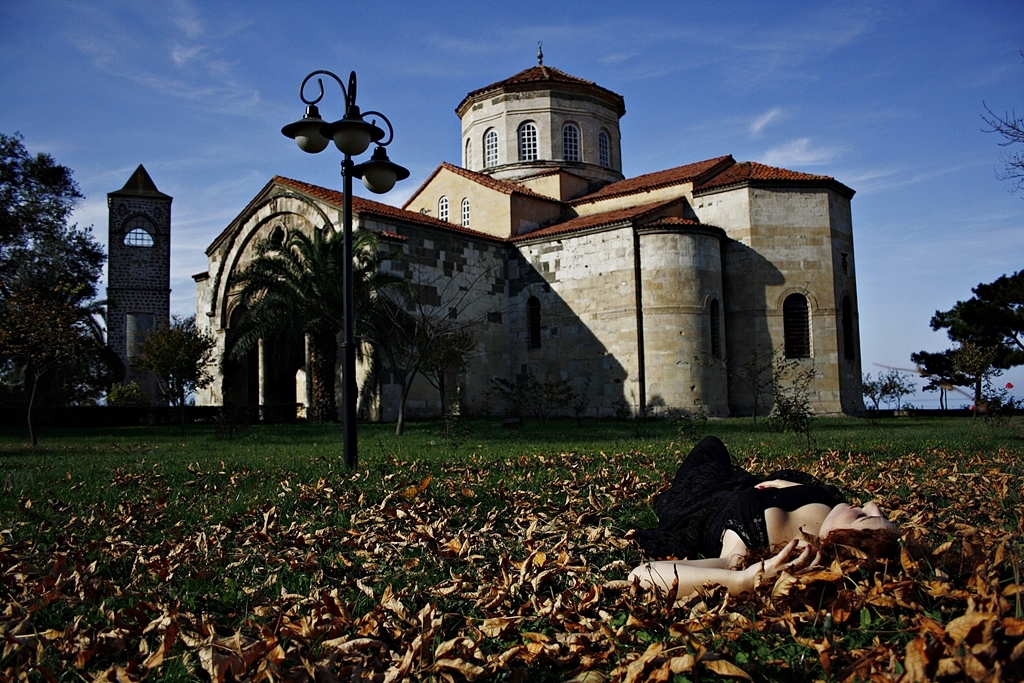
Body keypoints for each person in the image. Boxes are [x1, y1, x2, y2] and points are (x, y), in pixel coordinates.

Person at [628, 436, 900, 595]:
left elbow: (643, 574)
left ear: (840, 540)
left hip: (705, 500)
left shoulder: (768, 551)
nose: (871, 503)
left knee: (708, 448)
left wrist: (743, 579)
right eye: (878, 512)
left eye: (863, 517)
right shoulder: (833, 511)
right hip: (742, 485)